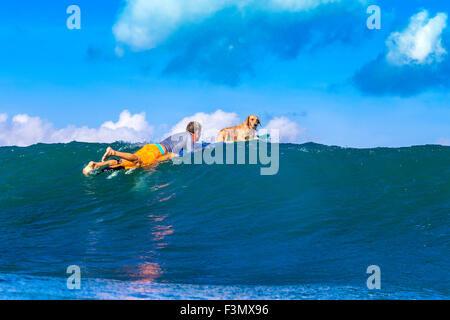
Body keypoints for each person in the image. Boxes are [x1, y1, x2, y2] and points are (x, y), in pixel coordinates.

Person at [83, 121, 202, 175]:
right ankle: (114, 152)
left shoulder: (180, 135)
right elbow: (191, 153)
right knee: (138, 161)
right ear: (196, 132)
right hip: (155, 151)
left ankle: (97, 165)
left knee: (126, 164)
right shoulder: (188, 136)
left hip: (152, 148)